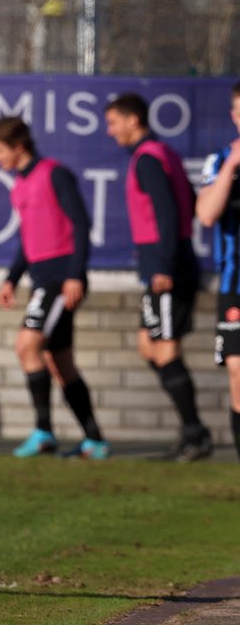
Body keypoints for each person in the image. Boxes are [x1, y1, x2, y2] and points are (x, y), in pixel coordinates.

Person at [0, 117, 109, 460]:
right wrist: (11, 277)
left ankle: (43, 432)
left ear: (18, 147)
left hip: (60, 279)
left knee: (27, 345)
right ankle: (94, 440)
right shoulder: (20, 186)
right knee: (59, 362)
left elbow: (81, 223)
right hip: (42, 279)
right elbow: (28, 238)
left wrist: (76, 275)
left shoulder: (54, 173)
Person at [105, 92, 213, 461]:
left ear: (133, 120)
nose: (111, 131)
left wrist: (164, 264)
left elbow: (167, 213)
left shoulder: (149, 158)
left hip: (168, 264)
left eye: (114, 122)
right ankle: (192, 430)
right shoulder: (162, 154)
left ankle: (195, 434)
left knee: (165, 348)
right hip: (161, 262)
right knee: (148, 346)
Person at [195, 80, 240, 461]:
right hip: (234, 287)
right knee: (239, 374)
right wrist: (231, 166)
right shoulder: (220, 160)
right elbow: (207, 213)